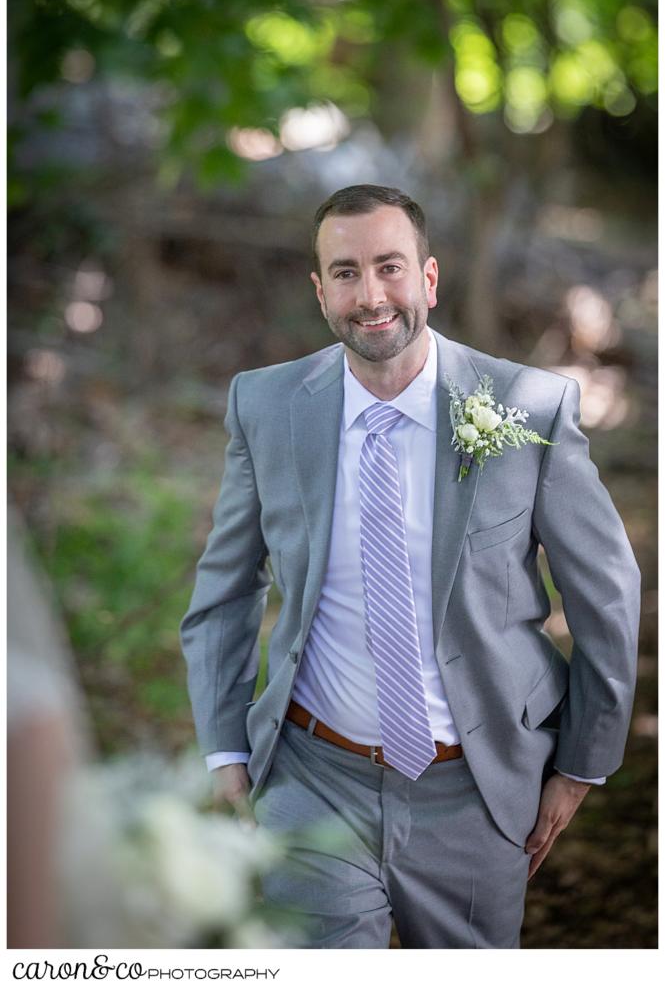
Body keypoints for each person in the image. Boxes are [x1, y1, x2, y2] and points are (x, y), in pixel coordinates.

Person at [180, 184, 640, 949]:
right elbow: (226, 589)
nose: (371, 296)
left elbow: (607, 594)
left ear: (427, 278)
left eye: (389, 268)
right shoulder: (265, 406)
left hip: (477, 784)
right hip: (311, 774)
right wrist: (226, 750)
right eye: (347, 273)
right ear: (320, 290)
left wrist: (581, 764)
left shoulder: (527, 406)